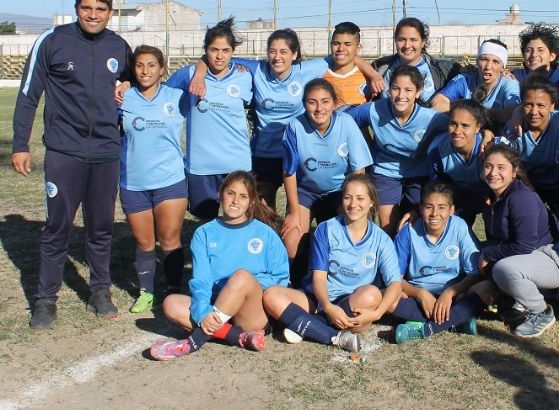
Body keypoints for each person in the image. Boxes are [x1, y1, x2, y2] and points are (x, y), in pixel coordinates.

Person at [12, 0, 132, 329]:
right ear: (76, 9)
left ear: (111, 13)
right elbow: (27, 95)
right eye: (87, 8)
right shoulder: (52, 40)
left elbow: (139, 80)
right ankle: (45, 300)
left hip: (107, 153)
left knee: (101, 227)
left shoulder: (119, 47)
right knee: (57, 228)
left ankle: (99, 292)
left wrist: (127, 85)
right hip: (64, 152)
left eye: (101, 9)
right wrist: (20, 145)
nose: (93, 15)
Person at [189, 28, 381, 207]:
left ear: (294, 54)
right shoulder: (257, 70)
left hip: (298, 151)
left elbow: (344, 55)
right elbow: (215, 56)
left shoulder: (306, 70)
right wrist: (198, 74)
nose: (277, 57)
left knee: (296, 205)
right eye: (272, 51)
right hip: (264, 153)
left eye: (283, 52)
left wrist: (374, 75)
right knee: (264, 208)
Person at [149, 171, 289, 360]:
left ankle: (195, 341)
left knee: (241, 277)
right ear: (220, 194)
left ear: (252, 202)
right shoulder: (203, 233)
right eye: (230, 193)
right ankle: (238, 336)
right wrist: (203, 311)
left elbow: (280, 278)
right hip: (216, 308)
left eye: (243, 196)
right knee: (171, 303)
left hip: (251, 312)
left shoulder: (265, 233)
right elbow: (201, 279)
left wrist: (240, 287)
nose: (235, 201)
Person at [262, 174, 403, 353]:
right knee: (271, 295)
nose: (353, 204)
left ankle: (305, 324)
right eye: (347, 197)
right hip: (318, 299)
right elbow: (319, 277)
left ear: (371, 203)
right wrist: (328, 307)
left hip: (352, 301)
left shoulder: (381, 239)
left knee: (372, 295)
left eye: (360, 198)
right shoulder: (326, 229)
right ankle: (333, 336)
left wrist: (376, 314)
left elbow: (395, 284)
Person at [281, 78, 373, 286]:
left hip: (340, 192)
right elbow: (289, 173)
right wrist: (294, 212)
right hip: (306, 191)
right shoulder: (295, 126)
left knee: (348, 235)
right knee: (292, 239)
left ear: (334, 103)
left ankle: (343, 282)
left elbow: (359, 172)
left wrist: (354, 205)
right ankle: (295, 284)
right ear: (304, 103)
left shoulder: (346, 123)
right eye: (312, 102)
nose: (319, 108)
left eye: (325, 101)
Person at [118, 45, 188, 312]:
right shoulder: (123, 99)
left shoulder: (176, 95)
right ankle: (146, 292)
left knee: (170, 239)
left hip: (170, 180)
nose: (145, 71)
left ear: (161, 69)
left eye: (151, 65)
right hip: (133, 183)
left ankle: (172, 290)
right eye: (139, 65)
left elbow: (199, 69)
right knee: (144, 242)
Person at [164, 18, 253, 223]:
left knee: (238, 219)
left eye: (225, 50)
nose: (220, 56)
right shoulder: (188, 75)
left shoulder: (245, 75)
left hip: (236, 164)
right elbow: (159, 94)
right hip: (202, 166)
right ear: (205, 50)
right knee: (206, 222)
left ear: (233, 51)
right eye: (214, 50)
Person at [346, 65, 449, 235]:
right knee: (388, 226)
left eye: (408, 90)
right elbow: (344, 121)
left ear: (418, 92)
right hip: (385, 171)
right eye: (395, 89)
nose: (401, 96)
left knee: (418, 224)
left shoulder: (431, 118)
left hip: (420, 174)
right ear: (388, 90)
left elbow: (459, 129)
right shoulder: (374, 110)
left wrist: (487, 132)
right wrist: (363, 145)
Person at [479, 143, 559, 338]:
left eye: (501, 167)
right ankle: (507, 298)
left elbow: (524, 245)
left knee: (503, 269)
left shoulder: (520, 197)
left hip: (553, 258)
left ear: (514, 171)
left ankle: (542, 312)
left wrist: (488, 253)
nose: (493, 172)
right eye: (488, 166)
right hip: (531, 256)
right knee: (473, 253)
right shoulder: (491, 195)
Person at [390, 182, 495, 343]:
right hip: (418, 297)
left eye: (441, 207)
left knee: (488, 288)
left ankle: (426, 328)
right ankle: (456, 319)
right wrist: (419, 293)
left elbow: (474, 273)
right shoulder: (408, 231)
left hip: (454, 295)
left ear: (451, 210)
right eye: (429, 207)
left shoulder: (459, 227)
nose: (434, 213)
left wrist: (450, 292)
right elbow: (395, 277)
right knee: (388, 296)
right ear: (420, 208)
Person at [507, 76, 559, 224]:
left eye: (541, 105)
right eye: (528, 104)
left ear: (552, 106)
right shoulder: (514, 128)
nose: (534, 111)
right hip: (528, 185)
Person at [430, 39, 520, 128]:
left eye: (495, 62)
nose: (488, 67)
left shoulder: (509, 84)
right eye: (484, 59)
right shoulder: (465, 79)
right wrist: (469, 116)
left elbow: (512, 112)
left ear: (503, 67)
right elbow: (437, 102)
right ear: (477, 61)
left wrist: (473, 114)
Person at [428, 99, 490, 226]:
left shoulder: (490, 148)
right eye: (453, 124)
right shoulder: (437, 151)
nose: (457, 131)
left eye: (465, 125)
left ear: (478, 127)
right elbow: (439, 189)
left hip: (490, 194)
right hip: (460, 194)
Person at [372, 17, 461, 105]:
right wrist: (372, 74)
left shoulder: (446, 70)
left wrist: (469, 69)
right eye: (402, 39)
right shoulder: (380, 67)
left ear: (423, 42)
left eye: (413, 40)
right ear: (395, 41)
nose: (407, 45)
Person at [322, 22, 370, 108]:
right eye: (336, 43)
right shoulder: (320, 75)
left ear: (358, 48)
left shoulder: (368, 77)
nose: (341, 49)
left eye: (347, 44)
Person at [511, 23, 559, 88]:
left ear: (552, 56)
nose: (534, 55)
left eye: (540, 50)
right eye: (529, 50)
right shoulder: (514, 76)